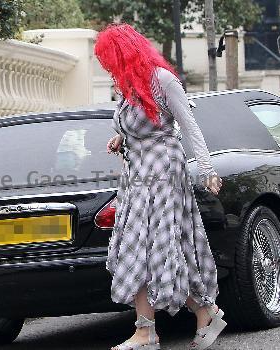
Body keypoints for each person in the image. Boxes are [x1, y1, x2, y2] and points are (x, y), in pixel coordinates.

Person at [94, 23, 225, 350]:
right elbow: (139, 125)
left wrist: (207, 169)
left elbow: (188, 126)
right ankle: (203, 311)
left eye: (109, 58)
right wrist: (121, 137)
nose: (107, 66)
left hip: (164, 171)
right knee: (160, 249)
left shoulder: (163, 79)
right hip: (137, 173)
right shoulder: (128, 85)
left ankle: (147, 331)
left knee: (147, 248)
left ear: (123, 52)